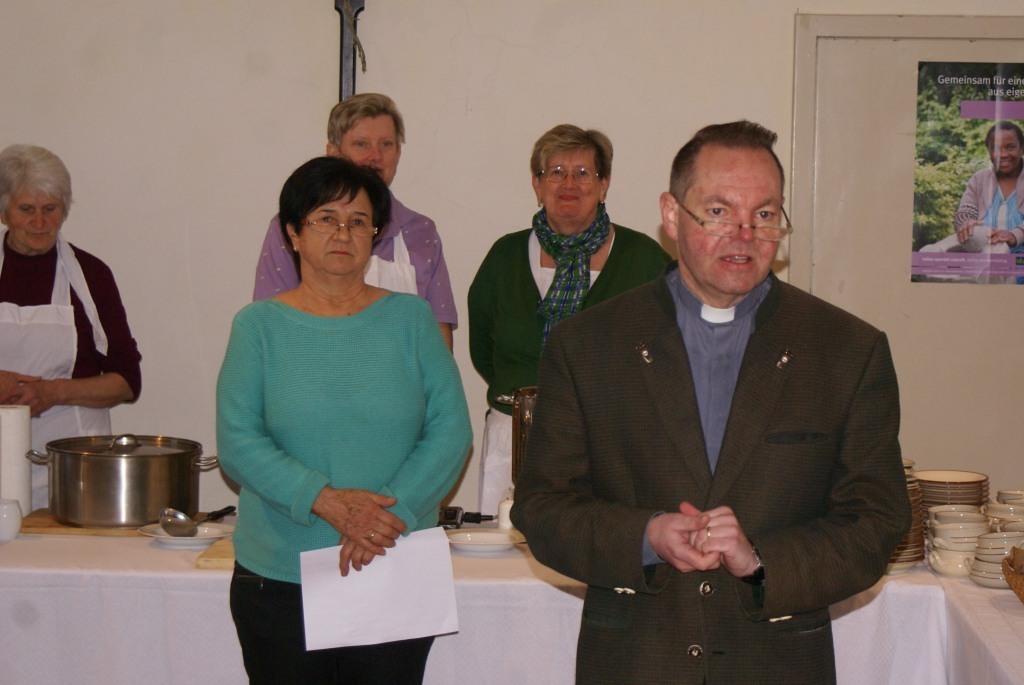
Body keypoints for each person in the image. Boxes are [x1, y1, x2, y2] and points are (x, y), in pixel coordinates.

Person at [511, 121, 911, 684]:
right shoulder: (588, 345)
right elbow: (542, 510)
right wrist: (645, 535)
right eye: (719, 212)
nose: (745, 235)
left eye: (764, 214)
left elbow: (876, 521)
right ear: (672, 215)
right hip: (635, 662)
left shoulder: (845, 351)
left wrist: (762, 560)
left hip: (776, 664)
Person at [218, 156, 472, 684]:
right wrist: (328, 502)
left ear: (374, 236)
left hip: (394, 561)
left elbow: (451, 431)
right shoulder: (257, 328)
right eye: (326, 218)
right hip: (280, 576)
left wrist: (383, 517)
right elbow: (238, 442)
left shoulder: (412, 320)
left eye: (359, 221)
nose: (343, 233)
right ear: (293, 232)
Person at [468, 124, 671, 512]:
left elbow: (672, 350)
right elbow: (483, 348)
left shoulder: (643, 259)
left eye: (583, 173)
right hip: (513, 438)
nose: (569, 184)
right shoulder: (504, 257)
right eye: (556, 172)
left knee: (595, 542)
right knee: (505, 544)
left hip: (611, 443)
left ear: (604, 184)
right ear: (537, 183)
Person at [253, 93, 457, 349]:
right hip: (312, 367)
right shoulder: (296, 225)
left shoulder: (421, 231)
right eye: (361, 144)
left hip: (400, 375)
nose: (375, 156)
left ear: (398, 153)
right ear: (333, 153)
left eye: (386, 144)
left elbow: (438, 340)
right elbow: (272, 327)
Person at [0, 144, 141, 511]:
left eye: (50, 209)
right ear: (3, 211)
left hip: (75, 470)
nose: (40, 223)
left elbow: (127, 381)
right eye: (26, 209)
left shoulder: (91, 276)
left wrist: (52, 392)